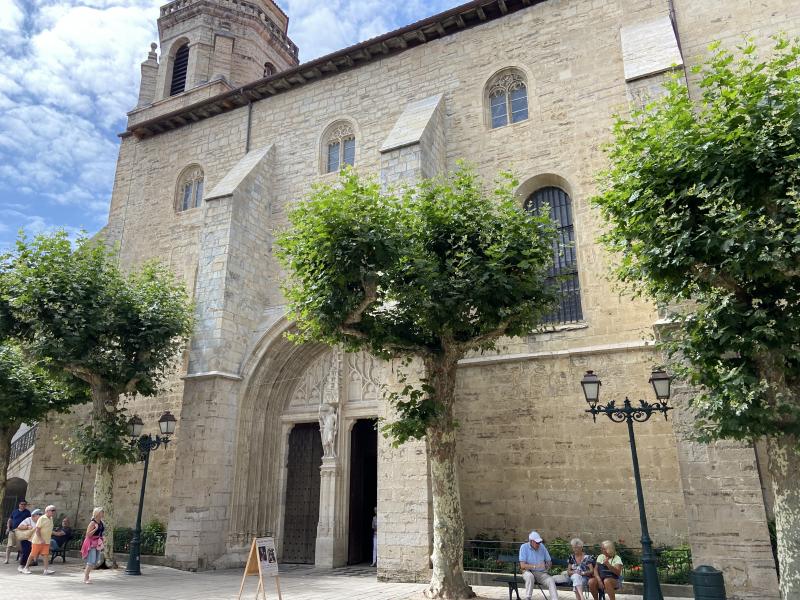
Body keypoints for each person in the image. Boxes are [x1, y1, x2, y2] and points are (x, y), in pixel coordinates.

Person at [519, 531, 558, 600]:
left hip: (541, 573)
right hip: (528, 571)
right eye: (537, 542)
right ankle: (528, 597)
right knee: (530, 576)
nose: (539, 544)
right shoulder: (524, 547)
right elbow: (522, 565)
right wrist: (535, 566)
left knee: (550, 580)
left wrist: (547, 565)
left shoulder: (542, 547)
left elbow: (549, 561)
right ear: (531, 541)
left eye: (539, 542)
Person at [21, 505, 56, 574]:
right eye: (53, 510)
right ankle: (26, 568)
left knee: (46, 555)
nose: (54, 512)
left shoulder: (51, 518)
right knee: (33, 554)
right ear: (47, 511)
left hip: (46, 541)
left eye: (54, 510)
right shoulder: (42, 518)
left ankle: (46, 570)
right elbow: (37, 530)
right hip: (38, 541)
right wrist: (41, 539)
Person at [80, 507, 105, 584]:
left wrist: (103, 537)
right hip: (91, 543)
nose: (103, 513)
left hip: (97, 543)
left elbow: (101, 532)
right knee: (91, 561)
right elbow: (88, 534)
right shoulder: (92, 523)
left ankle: (87, 577)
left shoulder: (101, 522)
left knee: (95, 561)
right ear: (97, 514)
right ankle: (85, 578)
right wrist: (95, 529)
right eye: (101, 512)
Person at [4, 499, 30, 564]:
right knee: (9, 545)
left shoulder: (27, 512)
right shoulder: (14, 511)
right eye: (22, 504)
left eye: (24, 504)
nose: (23, 506)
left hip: (21, 532)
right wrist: (8, 528)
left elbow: (29, 521)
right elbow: (10, 520)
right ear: (19, 505)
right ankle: (7, 559)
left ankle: (22, 560)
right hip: (12, 531)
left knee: (20, 547)